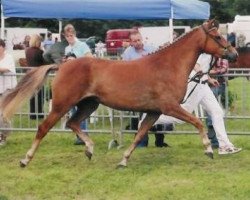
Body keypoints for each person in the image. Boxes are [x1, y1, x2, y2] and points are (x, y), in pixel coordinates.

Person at [141, 53, 242, 155]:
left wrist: (209, 79)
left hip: (203, 86)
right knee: (182, 116)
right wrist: (201, 73)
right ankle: (148, 120)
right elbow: (194, 64)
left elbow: (204, 68)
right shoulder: (204, 52)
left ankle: (225, 146)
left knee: (217, 112)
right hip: (195, 85)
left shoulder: (209, 51)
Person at [122, 31, 170, 148]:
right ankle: (142, 142)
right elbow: (123, 71)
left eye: (139, 40)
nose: (138, 43)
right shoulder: (128, 54)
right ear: (131, 42)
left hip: (154, 87)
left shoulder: (151, 49)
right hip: (138, 88)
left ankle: (160, 141)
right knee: (140, 116)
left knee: (158, 113)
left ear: (142, 38)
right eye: (135, 41)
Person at [63, 24, 93, 145]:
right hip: (72, 81)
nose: (70, 37)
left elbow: (90, 59)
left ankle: (83, 134)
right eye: (67, 36)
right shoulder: (67, 49)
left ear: (75, 34)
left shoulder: (82, 45)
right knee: (72, 109)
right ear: (65, 36)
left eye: (71, 35)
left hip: (83, 82)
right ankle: (79, 134)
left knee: (81, 108)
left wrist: (76, 61)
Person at [206, 58, 229, 148]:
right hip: (207, 85)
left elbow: (224, 69)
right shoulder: (207, 56)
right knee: (210, 109)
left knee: (211, 104)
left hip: (219, 84)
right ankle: (215, 143)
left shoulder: (222, 57)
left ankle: (210, 124)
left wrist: (210, 72)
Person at [0, 39, 17, 145]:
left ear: (3, 47)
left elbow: (6, 69)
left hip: (8, 89)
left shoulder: (9, 57)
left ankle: (3, 136)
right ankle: (3, 133)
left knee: (3, 114)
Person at [25, 34, 45, 120]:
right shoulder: (39, 52)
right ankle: (39, 113)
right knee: (40, 95)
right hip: (39, 75)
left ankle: (32, 114)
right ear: (38, 42)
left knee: (32, 96)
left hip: (30, 75)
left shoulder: (27, 51)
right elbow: (44, 62)